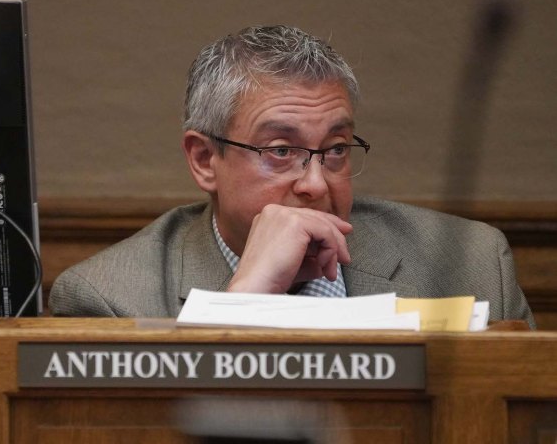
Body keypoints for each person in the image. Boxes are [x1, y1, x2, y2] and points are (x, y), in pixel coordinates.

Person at [48, 25, 535, 327]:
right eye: (281, 151)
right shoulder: (109, 298)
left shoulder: (472, 265)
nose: (316, 184)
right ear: (204, 159)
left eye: (336, 149)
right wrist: (244, 299)